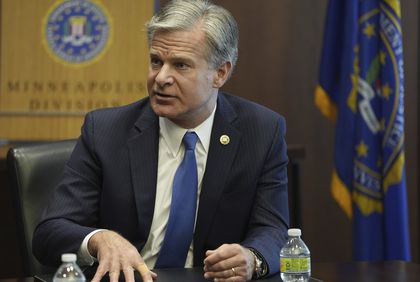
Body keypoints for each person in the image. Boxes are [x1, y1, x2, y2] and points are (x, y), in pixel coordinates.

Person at [32, 0, 289, 281]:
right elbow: (50, 232)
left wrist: (252, 258)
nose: (161, 78)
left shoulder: (262, 131)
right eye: (156, 61)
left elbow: (274, 230)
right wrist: (98, 239)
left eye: (181, 65)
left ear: (220, 73)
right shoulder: (106, 131)